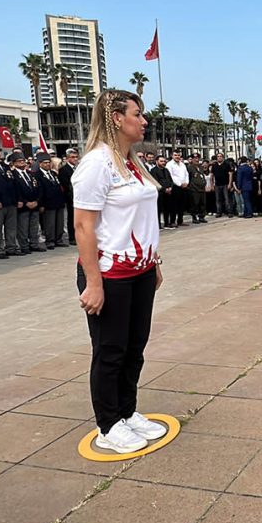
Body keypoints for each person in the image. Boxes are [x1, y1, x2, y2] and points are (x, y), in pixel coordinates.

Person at [71, 90, 165, 454]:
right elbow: (83, 227)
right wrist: (94, 282)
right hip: (110, 273)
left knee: (135, 348)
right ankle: (108, 424)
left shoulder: (132, 163)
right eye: (137, 114)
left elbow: (140, 220)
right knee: (110, 350)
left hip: (140, 270)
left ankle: (127, 411)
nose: (144, 121)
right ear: (115, 117)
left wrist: (154, 262)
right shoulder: (96, 164)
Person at [11, 153, 45, 254]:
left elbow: (39, 188)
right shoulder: (12, 175)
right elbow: (15, 190)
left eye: (23, 161)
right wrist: (25, 202)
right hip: (23, 205)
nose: (22, 162)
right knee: (23, 227)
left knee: (34, 226)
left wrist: (37, 201)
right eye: (19, 161)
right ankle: (24, 246)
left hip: (34, 204)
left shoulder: (30, 174)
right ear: (14, 163)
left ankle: (34, 244)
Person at [36, 152, 67, 248]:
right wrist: (41, 204)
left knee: (59, 223)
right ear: (40, 164)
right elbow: (39, 191)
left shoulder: (53, 174)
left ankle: (58, 239)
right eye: (45, 163)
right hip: (47, 203)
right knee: (50, 224)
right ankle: (50, 241)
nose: (47, 164)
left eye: (49, 162)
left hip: (58, 202)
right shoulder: (37, 175)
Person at [59, 148, 80, 244]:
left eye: (76, 157)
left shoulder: (79, 168)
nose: (75, 159)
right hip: (70, 197)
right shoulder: (64, 170)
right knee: (71, 217)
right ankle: (72, 237)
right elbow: (65, 184)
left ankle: (79, 236)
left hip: (80, 196)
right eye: (72, 157)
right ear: (67, 159)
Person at [150, 156, 174, 228]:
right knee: (159, 209)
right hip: (160, 192)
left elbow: (170, 180)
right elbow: (155, 182)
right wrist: (164, 189)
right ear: (157, 161)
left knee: (168, 208)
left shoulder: (166, 170)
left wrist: (170, 187)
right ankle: (158, 224)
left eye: (164, 161)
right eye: (161, 161)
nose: (163, 163)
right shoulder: (153, 171)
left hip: (168, 192)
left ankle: (167, 223)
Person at [166, 151, 189, 227]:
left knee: (182, 205)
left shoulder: (182, 164)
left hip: (184, 186)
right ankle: (172, 221)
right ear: (172, 156)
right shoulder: (169, 164)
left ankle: (180, 221)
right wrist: (180, 184)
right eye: (175, 155)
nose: (177, 157)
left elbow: (186, 174)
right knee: (174, 205)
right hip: (175, 187)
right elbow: (171, 176)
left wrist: (186, 182)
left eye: (178, 155)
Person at [209, 153, 233, 217]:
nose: (219, 157)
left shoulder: (227, 165)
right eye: (218, 156)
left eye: (220, 156)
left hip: (225, 184)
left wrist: (230, 184)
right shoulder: (214, 166)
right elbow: (211, 176)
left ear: (223, 157)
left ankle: (229, 212)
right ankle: (219, 212)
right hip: (217, 185)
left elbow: (230, 174)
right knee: (218, 199)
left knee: (227, 199)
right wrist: (212, 185)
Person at [187, 154, 208, 223]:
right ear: (192, 159)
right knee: (195, 203)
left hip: (202, 188)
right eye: (195, 158)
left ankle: (201, 216)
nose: (197, 160)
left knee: (203, 203)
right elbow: (188, 178)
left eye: (198, 158)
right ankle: (194, 217)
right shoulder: (189, 167)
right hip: (194, 189)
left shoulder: (200, 167)